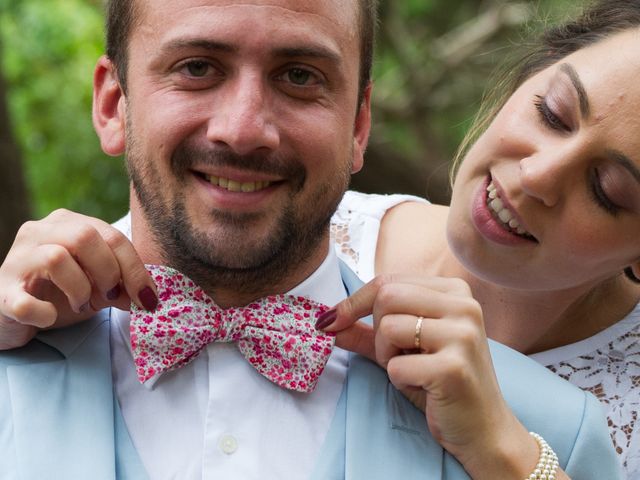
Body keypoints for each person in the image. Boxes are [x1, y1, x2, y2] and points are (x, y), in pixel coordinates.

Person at [0, 0, 621, 479]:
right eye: (197, 68)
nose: (243, 131)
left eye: (299, 75)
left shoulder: (543, 433)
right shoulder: (10, 338)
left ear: (358, 126)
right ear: (113, 104)